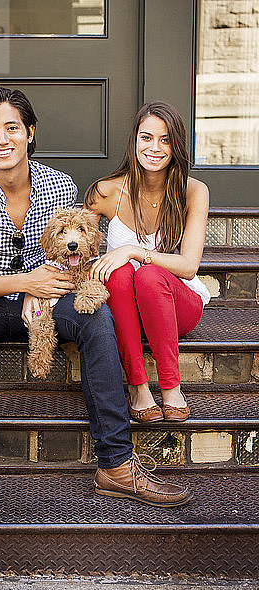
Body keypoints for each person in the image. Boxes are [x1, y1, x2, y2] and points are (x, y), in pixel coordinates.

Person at [0, 89, 192, 531]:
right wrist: (25, 284)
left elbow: (78, 257)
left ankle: (117, 464)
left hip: (54, 300)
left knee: (96, 316)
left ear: (30, 133)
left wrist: (44, 291)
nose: (2, 139)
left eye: (12, 128)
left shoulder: (58, 185)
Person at [86, 101, 210, 424]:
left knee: (149, 276)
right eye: (146, 138)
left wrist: (132, 251)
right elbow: (76, 243)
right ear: (135, 140)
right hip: (125, 309)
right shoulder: (107, 192)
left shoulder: (193, 191)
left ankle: (171, 388)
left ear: (176, 146)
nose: (154, 148)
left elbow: (189, 266)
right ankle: (139, 388)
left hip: (177, 304)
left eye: (165, 140)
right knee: (119, 275)